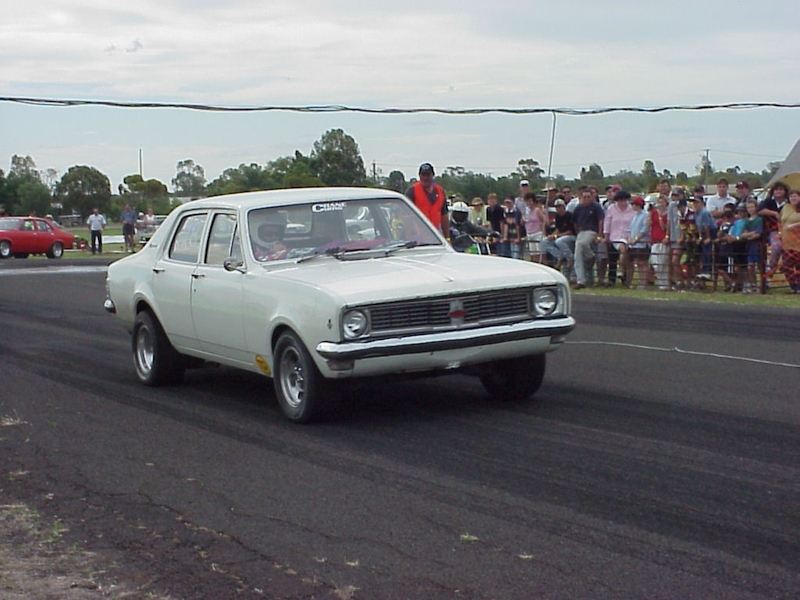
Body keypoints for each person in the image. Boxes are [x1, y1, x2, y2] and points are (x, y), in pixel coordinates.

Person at [405, 163, 450, 242]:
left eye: (428, 175)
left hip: (436, 235)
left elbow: (444, 216)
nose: (425, 178)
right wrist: (409, 237)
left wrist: (447, 238)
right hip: (417, 237)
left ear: (433, 175)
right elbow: (406, 217)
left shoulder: (440, 191)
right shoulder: (412, 191)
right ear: (419, 175)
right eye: (423, 175)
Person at [572, 189, 604, 289]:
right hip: (581, 232)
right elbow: (574, 222)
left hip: (592, 231)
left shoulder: (596, 207)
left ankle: (590, 256)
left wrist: (599, 235)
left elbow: (601, 221)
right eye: (584, 197)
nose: (586, 199)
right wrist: (578, 231)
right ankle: (581, 280)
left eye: (588, 197)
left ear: (591, 197)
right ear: (581, 198)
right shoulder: (578, 208)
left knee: (581, 243)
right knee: (577, 255)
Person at [603, 189, 635, 287]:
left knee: (624, 251)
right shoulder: (611, 209)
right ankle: (612, 280)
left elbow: (634, 222)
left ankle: (624, 276)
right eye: (621, 200)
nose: (623, 202)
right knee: (612, 259)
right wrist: (606, 236)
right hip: (614, 237)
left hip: (627, 237)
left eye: (625, 200)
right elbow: (607, 222)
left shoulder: (631, 209)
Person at [758, 181, 789, 281]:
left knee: (789, 251)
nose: (778, 191)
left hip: (789, 231)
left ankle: (787, 269)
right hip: (773, 230)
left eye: (781, 189)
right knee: (777, 247)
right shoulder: (768, 201)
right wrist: (774, 213)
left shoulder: (788, 202)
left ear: (785, 191)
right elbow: (760, 210)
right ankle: (771, 268)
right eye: (776, 189)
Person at [541, 199, 576, 279]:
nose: (558, 209)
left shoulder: (569, 215)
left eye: (560, 207)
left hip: (571, 236)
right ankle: (559, 255)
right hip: (561, 236)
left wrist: (556, 236)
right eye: (556, 207)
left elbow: (571, 231)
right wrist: (552, 235)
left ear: (563, 207)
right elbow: (557, 229)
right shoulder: (557, 216)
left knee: (559, 241)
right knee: (544, 241)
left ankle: (570, 258)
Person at [739, 198, 764, 293]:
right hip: (749, 245)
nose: (750, 209)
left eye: (752, 207)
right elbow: (743, 234)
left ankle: (763, 283)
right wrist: (750, 234)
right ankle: (753, 284)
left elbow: (758, 233)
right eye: (748, 207)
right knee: (750, 266)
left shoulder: (759, 220)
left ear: (756, 207)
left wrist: (750, 235)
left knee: (759, 265)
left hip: (757, 245)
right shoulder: (746, 221)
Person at [627, 196, 651, 289]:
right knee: (635, 262)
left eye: (633, 204)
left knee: (642, 263)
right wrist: (630, 239)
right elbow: (630, 229)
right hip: (633, 245)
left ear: (638, 205)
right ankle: (635, 282)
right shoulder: (634, 216)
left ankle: (644, 283)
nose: (632, 206)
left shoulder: (645, 215)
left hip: (642, 243)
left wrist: (636, 239)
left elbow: (644, 229)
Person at [779, 189, 800, 293]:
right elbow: (781, 220)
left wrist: (793, 225)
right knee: (786, 265)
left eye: (795, 196)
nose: (793, 198)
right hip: (787, 241)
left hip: (798, 241)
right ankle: (793, 286)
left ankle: (798, 287)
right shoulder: (786, 207)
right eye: (791, 196)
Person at [692, 193, 716, 280]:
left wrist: (708, 237)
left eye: (697, 202)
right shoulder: (696, 213)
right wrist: (700, 237)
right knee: (703, 252)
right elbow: (698, 227)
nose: (695, 204)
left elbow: (707, 226)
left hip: (711, 231)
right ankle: (704, 270)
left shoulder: (704, 212)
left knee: (707, 251)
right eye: (694, 203)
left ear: (702, 203)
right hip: (703, 232)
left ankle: (708, 271)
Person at [649, 195, 670, 290]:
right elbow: (648, 224)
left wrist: (660, 216)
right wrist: (650, 213)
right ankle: (660, 281)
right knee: (655, 262)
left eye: (662, 202)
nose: (660, 204)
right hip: (654, 240)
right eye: (659, 202)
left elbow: (664, 227)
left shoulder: (667, 214)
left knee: (662, 263)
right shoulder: (654, 212)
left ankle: (664, 284)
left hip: (662, 240)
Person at [521, 192, 546, 262]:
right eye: (526, 201)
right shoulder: (526, 211)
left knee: (540, 254)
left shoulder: (537, 210)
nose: (528, 203)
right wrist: (523, 216)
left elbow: (545, 221)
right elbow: (522, 223)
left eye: (530, 201)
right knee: (533, 254)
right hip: (529, 234)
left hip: (537, 233)